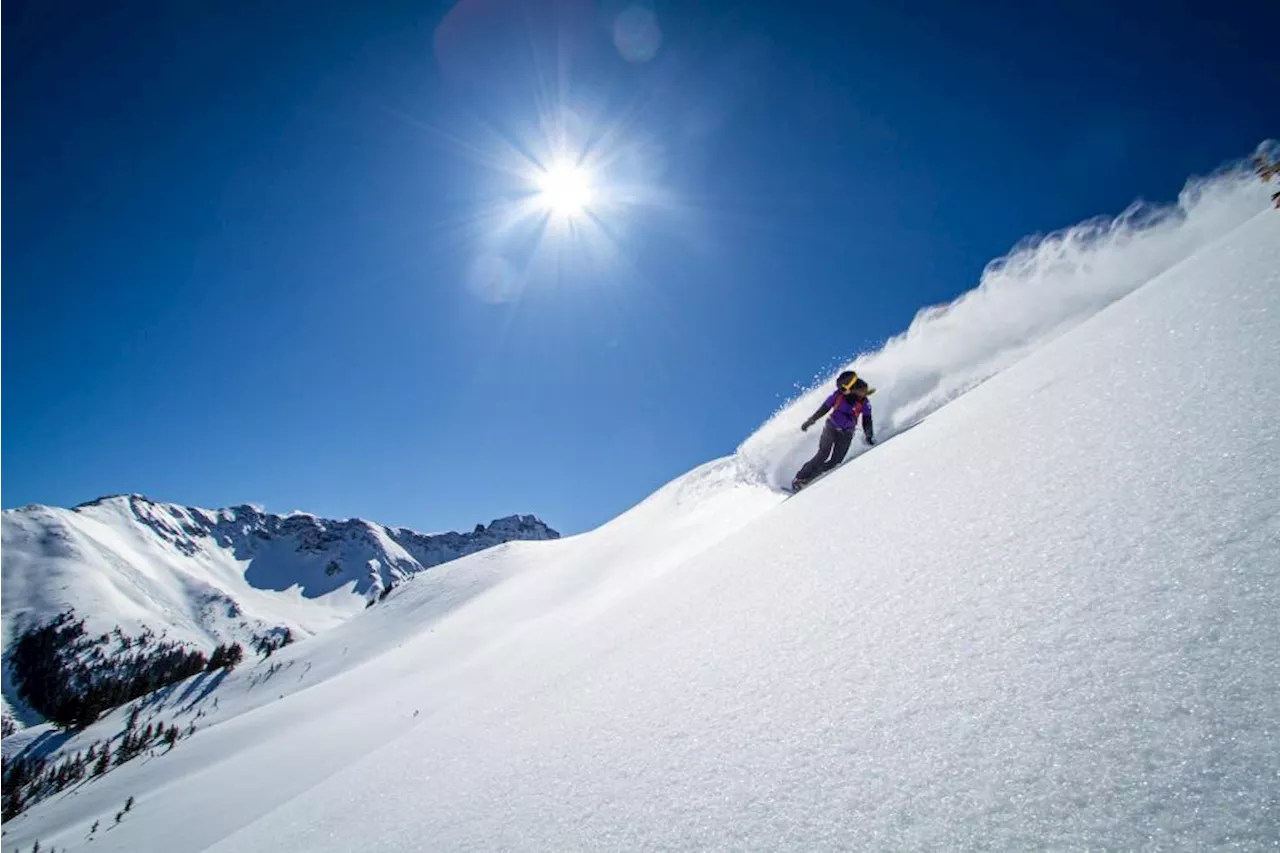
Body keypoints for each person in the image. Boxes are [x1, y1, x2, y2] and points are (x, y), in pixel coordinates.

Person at [790, 370, 875, 491]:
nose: (864, 394)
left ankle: (809, 480)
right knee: (823, 454)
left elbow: (867, 420)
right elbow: (824, 408)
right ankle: (799, 478)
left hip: (847, 433)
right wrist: (811, 420)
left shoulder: (864, 402)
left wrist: (869, 436)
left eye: (865, 392)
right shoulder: (839, 395)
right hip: (831, 427)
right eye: (862, 391)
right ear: (853, 390)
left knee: (836, 461)